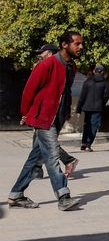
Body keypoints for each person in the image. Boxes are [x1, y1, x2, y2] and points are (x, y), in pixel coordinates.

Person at [8, 31, 84, 211]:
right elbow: (29, 90)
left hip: (56, 118)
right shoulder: (47, 65)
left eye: (81, 44)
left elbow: (64, 92)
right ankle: (63, 196)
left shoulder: (71, 66)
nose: (80, 47)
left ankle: (16, 195)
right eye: (77, 44)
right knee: (52, 156)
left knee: (35, 159)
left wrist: (65, 113)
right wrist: (26, 113)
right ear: (65, 45)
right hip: (43, 118)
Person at [31, 44, 79, 180]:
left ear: (51, 53)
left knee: (44, 140)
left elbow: (59, 90)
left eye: (42, 52)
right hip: (51, 108)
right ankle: (37, 170)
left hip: (52, 109)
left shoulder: (61, 67)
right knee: (41, 140)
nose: (39, 55)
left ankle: (67, 161)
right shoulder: (57, 65)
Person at [76, 65, 108, 152]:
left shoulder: (87, 82)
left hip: (87, 107)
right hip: (98, 108)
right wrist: (102, 103)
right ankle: (88, 145)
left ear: (94, 71)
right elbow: (106, 96)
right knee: (94, 126)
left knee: (87, 125)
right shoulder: (104, 83)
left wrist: (78, 108)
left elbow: (82, 96)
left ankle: (83, 143)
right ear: (102, 72)